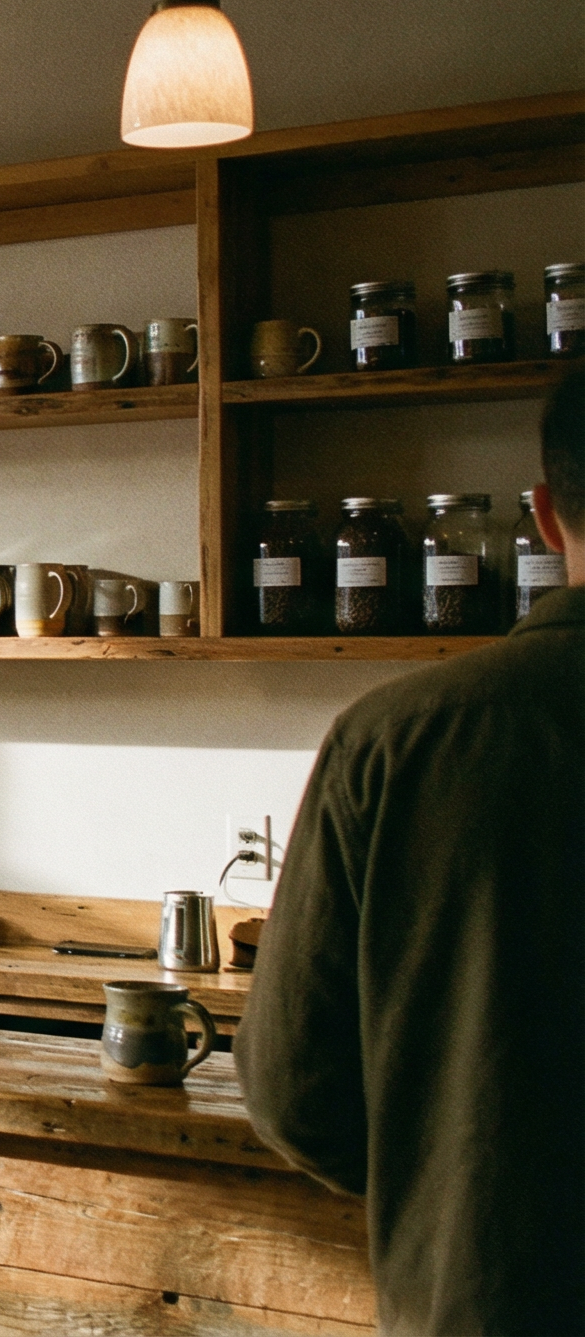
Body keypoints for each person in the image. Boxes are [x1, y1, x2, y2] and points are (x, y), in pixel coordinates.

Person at [239, 365, 585, 1337]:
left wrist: (444, 1180)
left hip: (482, 1300)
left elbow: (293, 1092)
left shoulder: (397, 739)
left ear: (545, 516)